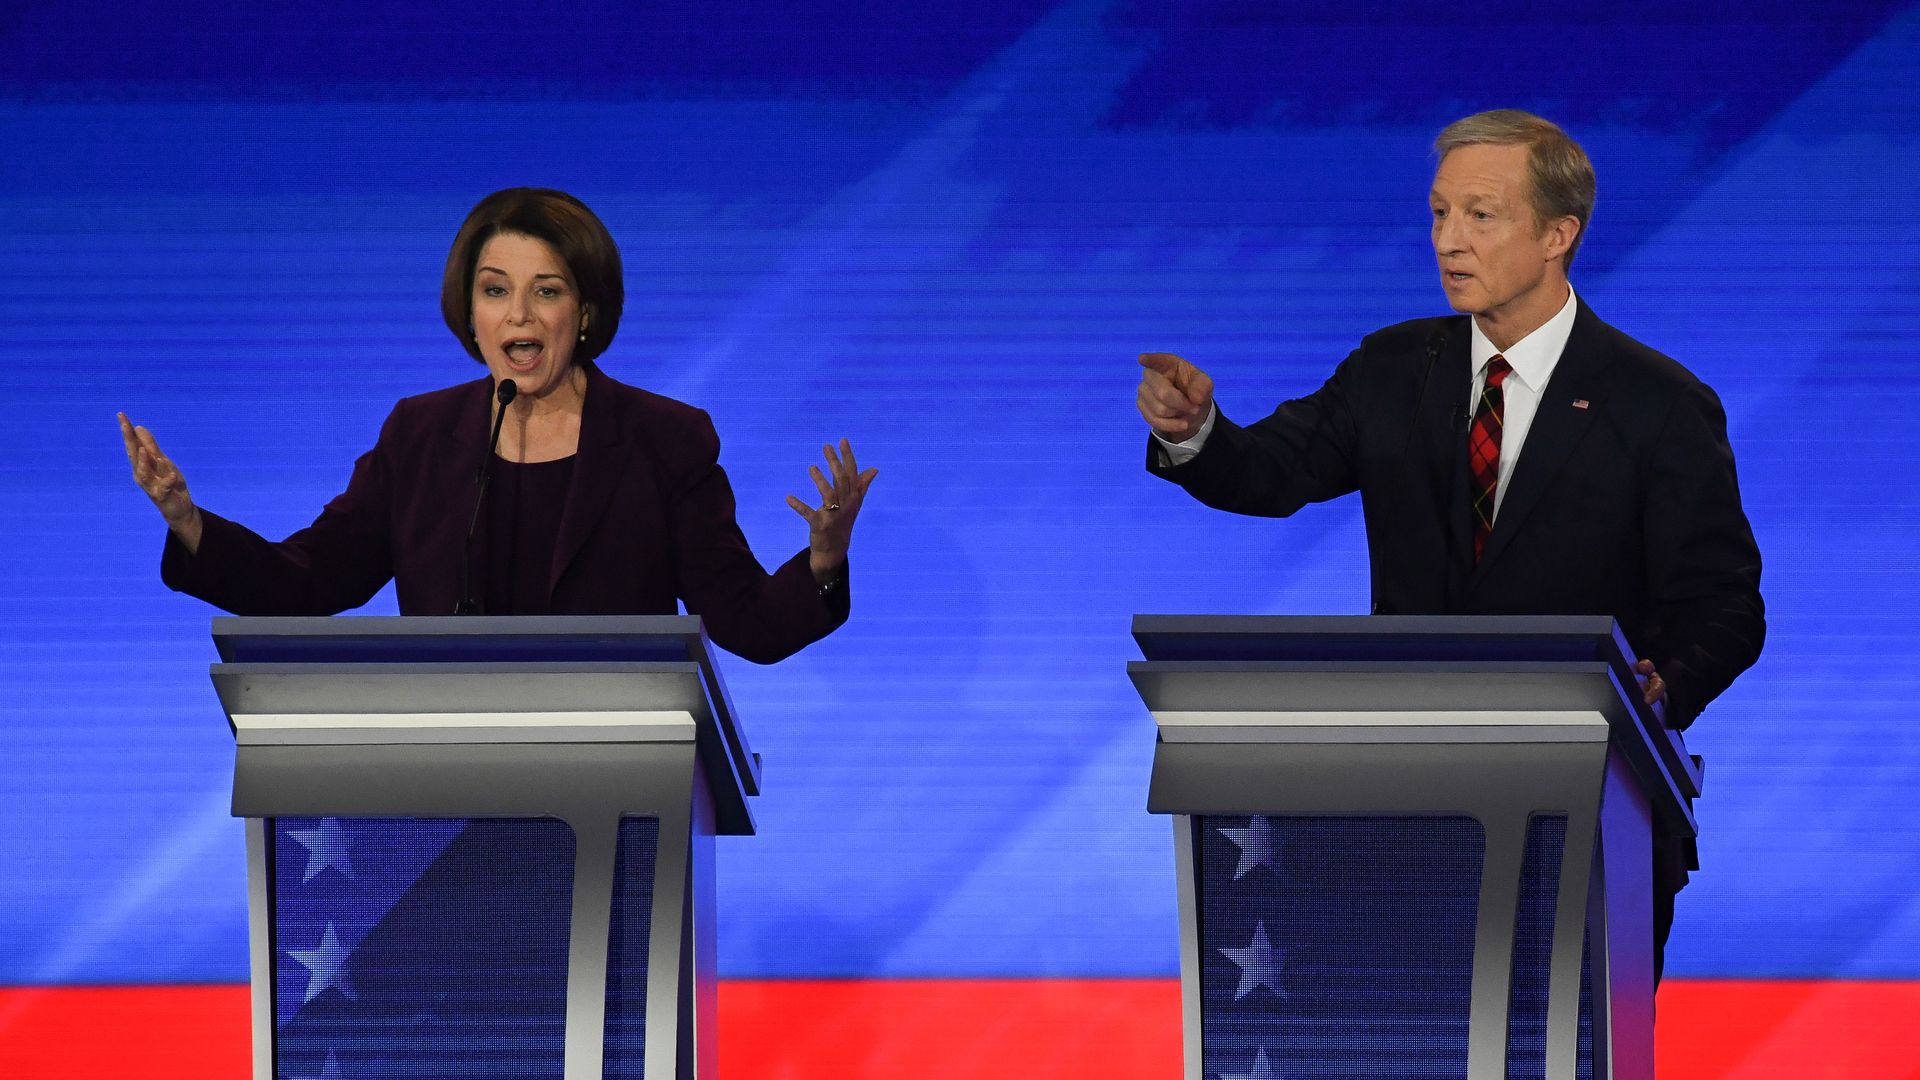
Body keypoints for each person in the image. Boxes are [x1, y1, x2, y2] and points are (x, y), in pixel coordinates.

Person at [1135, 110, 1764, 975]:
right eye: (1438, 214)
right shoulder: (1395, 368)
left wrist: (1666, 682)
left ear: (1557, 235)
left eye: (1480, 214)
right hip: (1404, 807)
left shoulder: (1656, 402)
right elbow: (1270, 472)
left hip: (1588, 810)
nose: (1448, 241)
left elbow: (1725, 603)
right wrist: (1198, 430)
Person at [119, 187, 876, 663]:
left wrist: (822, 564)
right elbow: (309, 580)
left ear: (583, 314)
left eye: (545, 291)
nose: (518, 313)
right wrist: (189, 523)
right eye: (495, 290)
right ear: (470, 313)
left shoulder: (663, 441)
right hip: (450, 797)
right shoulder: (420, 438)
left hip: (619, 788)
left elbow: (746, 622)